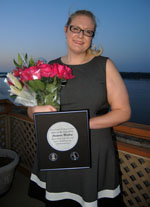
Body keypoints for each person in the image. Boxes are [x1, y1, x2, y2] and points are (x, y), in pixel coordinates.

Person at [27, 10, 131, 207]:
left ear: (92, 37)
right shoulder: (50, 67)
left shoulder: (104, 65)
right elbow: (32, 109)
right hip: (56, 149)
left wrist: (83, 124)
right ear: (66, 30)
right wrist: (34, 111)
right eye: (76, 29)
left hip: (94, 150)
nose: (81, 35)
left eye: (88, 31)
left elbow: (123, 111)